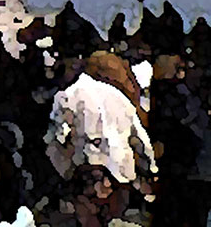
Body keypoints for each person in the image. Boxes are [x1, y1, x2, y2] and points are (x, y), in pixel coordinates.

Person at [44, 51, 156, 227]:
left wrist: (65, 173)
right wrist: (150, 167)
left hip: (89, 169)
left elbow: (57, 137)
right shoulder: (116, 96)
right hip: (121, 168)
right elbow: (139, 136)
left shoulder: (66, 97)